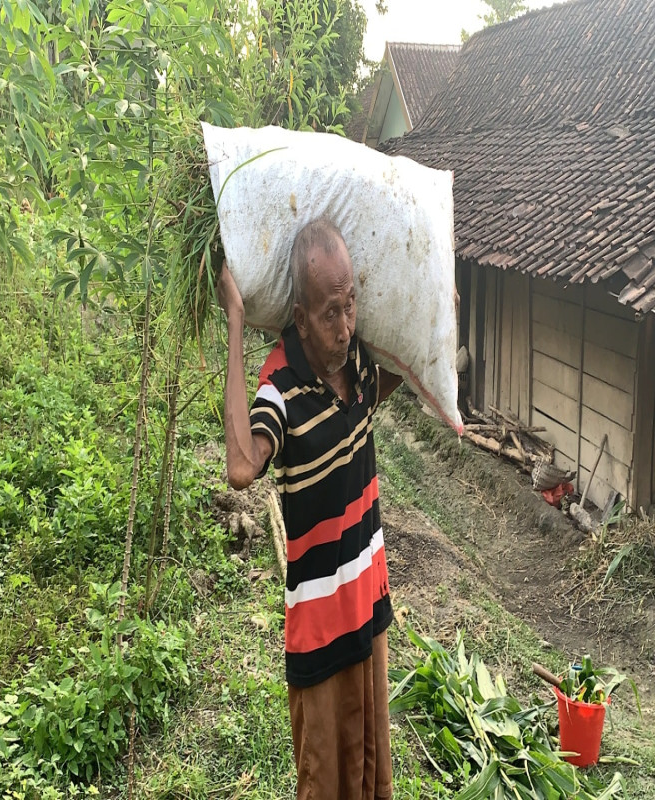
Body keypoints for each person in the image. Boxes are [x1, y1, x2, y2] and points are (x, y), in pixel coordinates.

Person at [217, 216, 403, 800]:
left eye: (351, 307)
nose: (345, 326)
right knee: (324, 782)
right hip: (321, 628)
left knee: (371, 771)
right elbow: (242, 466)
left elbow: (404, 376)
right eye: (329, 313)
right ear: (299, 317)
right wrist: (236, 322)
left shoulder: (361, 366)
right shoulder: (281, 384)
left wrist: (436, 305)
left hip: (369, 603)